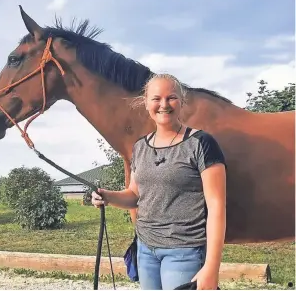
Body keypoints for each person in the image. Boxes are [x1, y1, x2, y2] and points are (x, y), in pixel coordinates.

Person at [91, 73, 226, 290]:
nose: (164, 104)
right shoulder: (140, 147)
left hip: (184, 251)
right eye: (156, 98)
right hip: (145, 250)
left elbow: (217, 208)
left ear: (182, 102)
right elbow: (135, 196)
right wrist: (107, 196)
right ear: (146, 103)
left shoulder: (201, 143)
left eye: (171, 97)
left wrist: (212, 267)